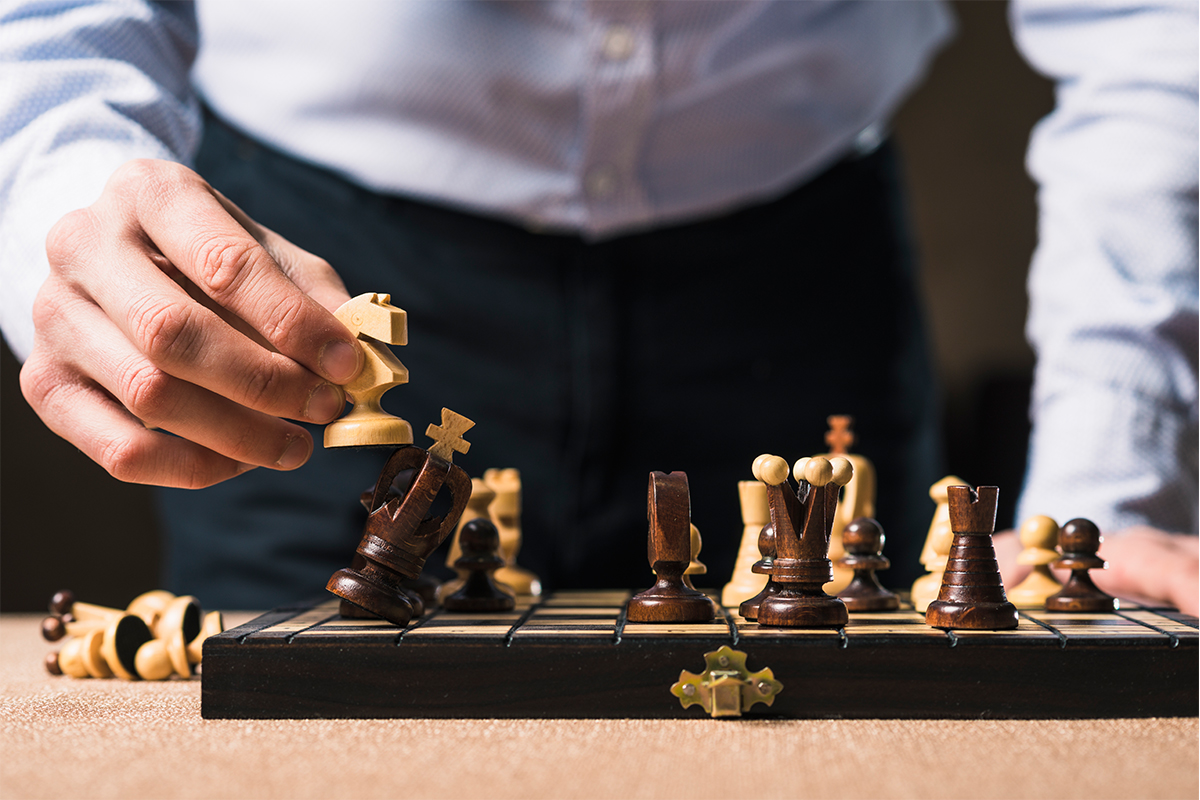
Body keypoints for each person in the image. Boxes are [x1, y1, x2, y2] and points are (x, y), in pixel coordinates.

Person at [2, 1, 1195, 614]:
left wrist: (1098, 494)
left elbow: (1151, 35)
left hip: (797, 269)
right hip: (295, 264)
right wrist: (66, 196)